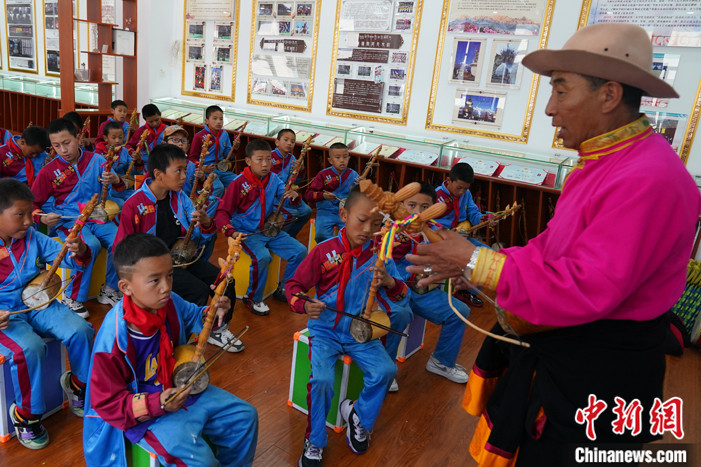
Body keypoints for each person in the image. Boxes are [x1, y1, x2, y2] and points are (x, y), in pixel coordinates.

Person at [406, 23, 701, 466]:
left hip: (600, 373)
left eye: (561, 91)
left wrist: (476, 260)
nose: (549, 109)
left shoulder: (650, 178)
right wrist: (477, 264)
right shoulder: (605, 161)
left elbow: (588, 284)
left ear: (609, 94)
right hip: (572, 354)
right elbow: (553, 245)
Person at [83, 233, 258, 467]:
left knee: (245, 417)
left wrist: (213, 312)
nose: (166, 287)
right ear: (126, 287)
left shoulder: (170, 302)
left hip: (179, 388)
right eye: (154, 280)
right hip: (146, 412)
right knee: (202, 462)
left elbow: (195, 316)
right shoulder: (113, 337)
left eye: (170, 275)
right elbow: (106, 403)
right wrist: (157, 403)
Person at [285, 187, 408, 467]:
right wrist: (304, 304)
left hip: (360, 332)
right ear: (343, 215)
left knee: (386, 370)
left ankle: (358, 415)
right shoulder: (323, 251)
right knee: (322, 380)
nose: (367, 230)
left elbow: (402, 296)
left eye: (376, 224)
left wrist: (389, 281)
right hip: (325, 331)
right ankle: (315, 440)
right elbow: (294, 285)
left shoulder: (381, 254)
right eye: (361, 220)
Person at [114, 143, 242, 352]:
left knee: (225, 280)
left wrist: (206, 222)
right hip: (155, 267)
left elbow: (201, 235)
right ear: (158, 174)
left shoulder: (180, 198)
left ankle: (218, 327)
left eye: (185, 170)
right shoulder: (134, 204)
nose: (184, 176)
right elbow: (121, 248)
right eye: (179, 171)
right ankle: (186, 337)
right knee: (197, 289)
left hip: (182, 258)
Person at [0, 179, 94, 449]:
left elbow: (67, 257)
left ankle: (78, 385)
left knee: (81, 330)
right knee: (29, 348)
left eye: (30, 214)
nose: (29, 221)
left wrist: (79, 249)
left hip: (38, 302)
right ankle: (26, 416)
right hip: (6, 315)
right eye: (20, 214)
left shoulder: (31, 236)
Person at [31, 118, 124, 318]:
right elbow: (32, 204)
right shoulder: (48, 171)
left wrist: (116, 179)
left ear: (78, 138)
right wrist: (43, 218)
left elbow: (119, 187)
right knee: (89, 245)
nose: (63, 150)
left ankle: (109, 289)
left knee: (121, 239)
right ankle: (72, 296)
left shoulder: (97, 160)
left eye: (67, 143)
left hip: (97, 217)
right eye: (56, 146)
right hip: (69, 220)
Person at [386, 182, 470, 392]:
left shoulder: (431, 229)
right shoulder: (388, 225)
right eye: (411, 205)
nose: (417, 212)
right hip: (391, 288)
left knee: (460, 311)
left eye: (425, 207)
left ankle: (441, 361)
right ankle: (385, 370)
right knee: (399, 314)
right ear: (401, 204)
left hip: (418, 288)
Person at [214, 139, 307, 316]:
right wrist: (232, 232)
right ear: (248, 161)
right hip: (248, 233)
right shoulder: (238, 183)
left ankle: (284, 288)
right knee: (263, 257)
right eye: (259, 159)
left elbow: (287, 198)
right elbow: (222, 212)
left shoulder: (274, 179)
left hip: (270, 230)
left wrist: (294, 196)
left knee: (300, 251)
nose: (265, 164)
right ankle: (253, 298)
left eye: (268, 159)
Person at [434, 162, 489, 307]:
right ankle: (450, 291)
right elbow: (427, 223)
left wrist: (484, 219)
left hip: (461, 238)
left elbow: (473, 213)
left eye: (465, 188)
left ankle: (465, 291)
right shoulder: (436, 196)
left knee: (487, 255)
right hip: (441, 241)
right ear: (449, 180)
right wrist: (444, 232)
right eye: (459, 187)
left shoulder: (466, 194)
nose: (462, 192)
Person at [163, 125, 221, 261]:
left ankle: (199, 261)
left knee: (209, 234)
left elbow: (204, 189)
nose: (179, 144)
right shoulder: (159, 165)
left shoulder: (192, 166)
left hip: (188, 207)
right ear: (164, 143)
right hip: (167, 211)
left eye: (183, 141)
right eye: (174, 139)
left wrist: (202, 179)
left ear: (188, 147)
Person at [304, 142, 359, 244]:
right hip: (326, 212)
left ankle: (344, 252)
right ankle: (328, 251)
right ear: (330, 160)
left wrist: (362, 186)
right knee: (321, 235)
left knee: (351, 235)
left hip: (346, 212)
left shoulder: (353, 175)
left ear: (349, 158)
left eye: (345, 157)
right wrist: (323, 196)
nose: (342, 160)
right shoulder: (323, 175)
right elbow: (308, 195)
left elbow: (361, 196)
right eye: (337, 157)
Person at [189, 105, 239, 187]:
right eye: (215, 118)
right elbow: (192, 159)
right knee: (218, 188)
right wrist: (202, 168)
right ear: (206, 121)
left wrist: (235, 148)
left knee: (238, 182)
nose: (218, 122)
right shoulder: (199, 136)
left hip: (221, 169)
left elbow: (229, 156)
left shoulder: (224, 134)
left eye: (221, 119)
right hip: (206, 171)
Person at [93, 121, 142, 203]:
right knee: (121, 203)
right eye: (114, 138)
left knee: (140, 198)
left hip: (123, 187)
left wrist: (137, 161)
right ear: (105, 138)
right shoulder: (98, 154)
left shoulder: (124, 151)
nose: (117, 141)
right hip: (105, 190)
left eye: (120, 137)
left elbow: (131, 172)